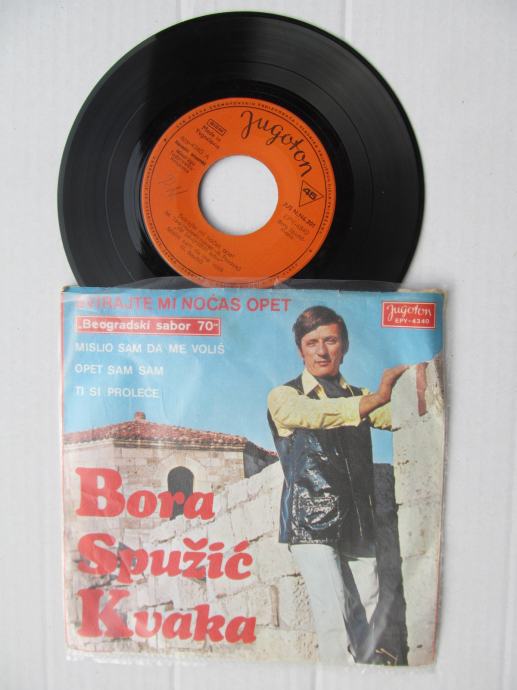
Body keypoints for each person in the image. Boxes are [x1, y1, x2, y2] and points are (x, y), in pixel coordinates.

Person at [267, 305, 407, 665]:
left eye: (330, 341)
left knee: (370, 615)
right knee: (335, 621)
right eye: (311, 343)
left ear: (344, 346)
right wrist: (373, 400)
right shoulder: (284, 396)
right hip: (311, 523)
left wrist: (418, 383)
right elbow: (313, 415)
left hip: (359, 521)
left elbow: (402, 416)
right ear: (300, 350)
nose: (322, 351)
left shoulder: (360, 395)